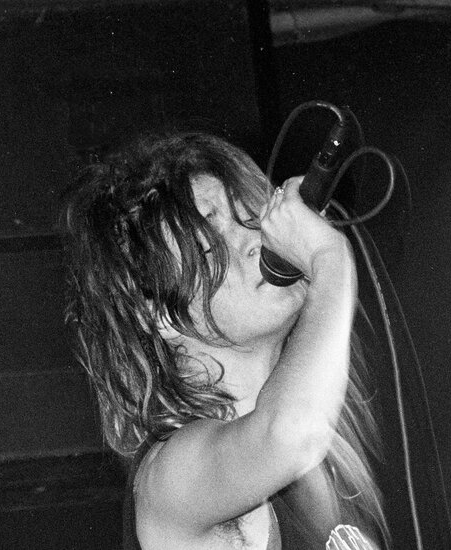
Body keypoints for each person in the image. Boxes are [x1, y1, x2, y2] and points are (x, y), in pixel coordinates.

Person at [63, 132, 389, 549]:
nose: (256, 241)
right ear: (158, 314)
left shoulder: (329, 449)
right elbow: (288, 434)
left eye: (250, 217)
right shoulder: (171, 478)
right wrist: (330, 257)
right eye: (210, 246)